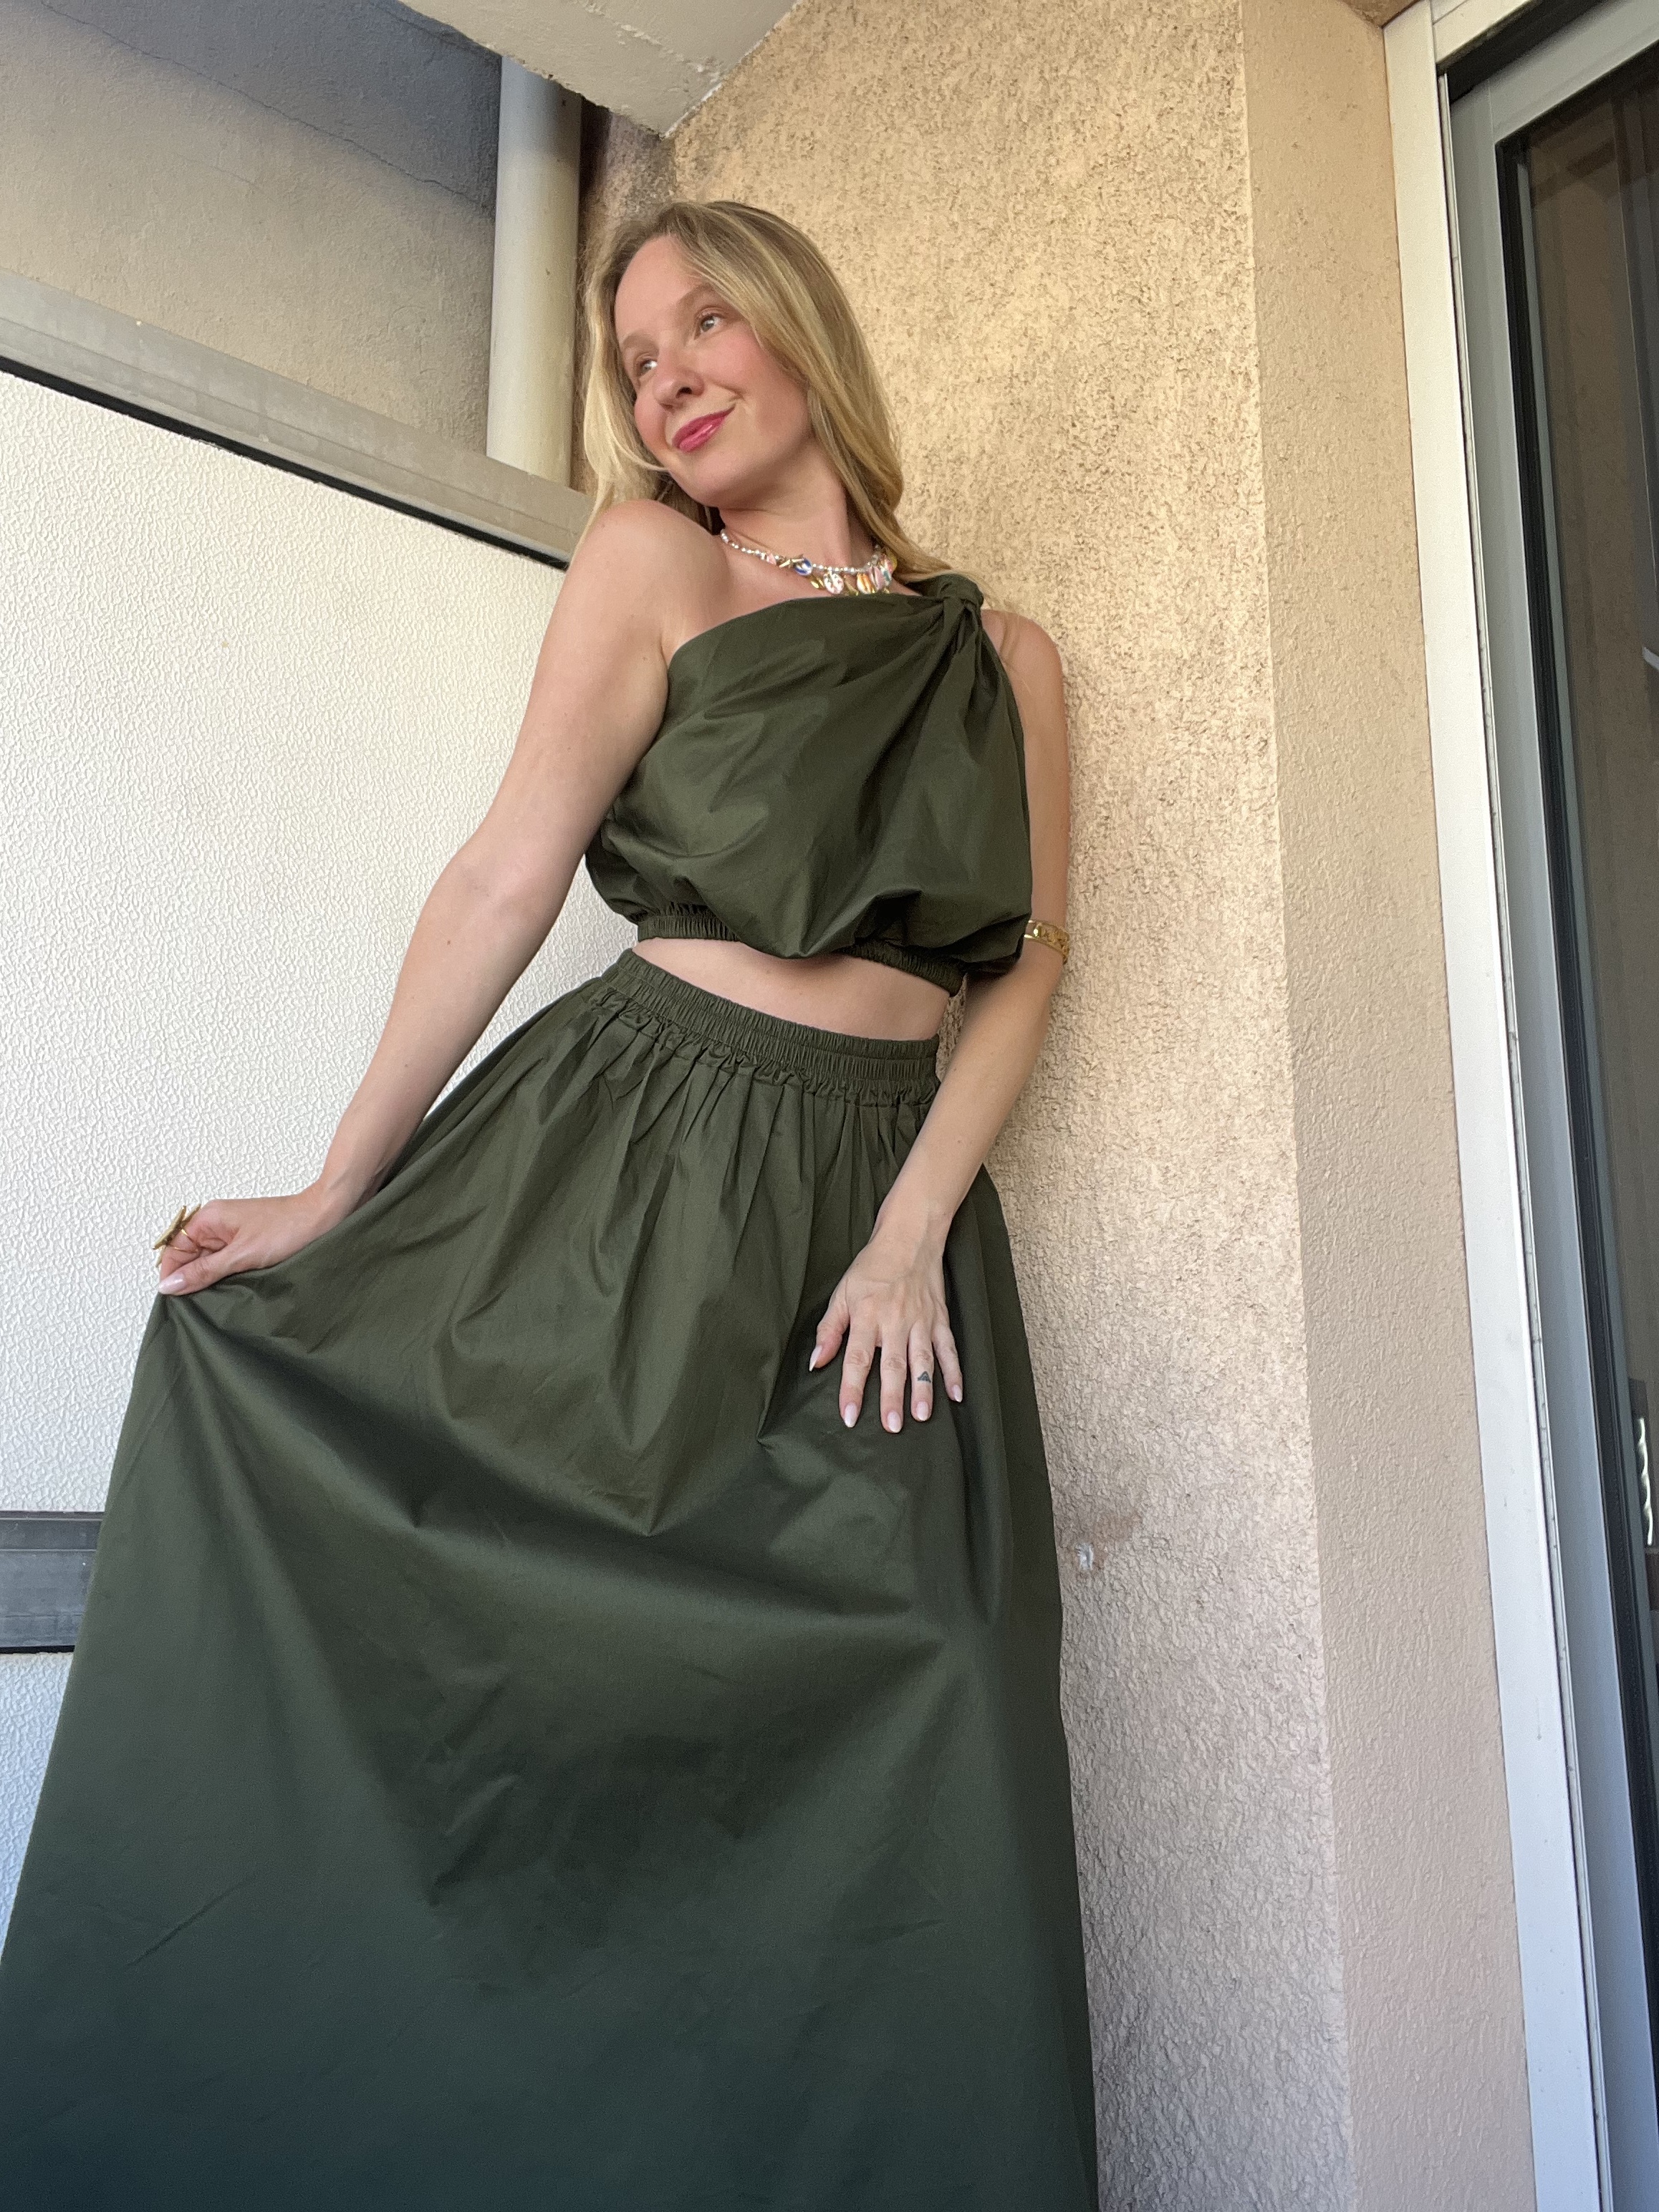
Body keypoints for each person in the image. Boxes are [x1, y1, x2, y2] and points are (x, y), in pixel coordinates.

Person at [0, 198, 1098, 2208]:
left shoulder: (1001, 654)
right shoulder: (651, 564)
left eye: (704, 327)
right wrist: (336, 1186)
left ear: (801, 328)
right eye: (637, 362)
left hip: (875, 1210)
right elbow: (510, 870)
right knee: (519, 1659)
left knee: (932, 1680)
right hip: (630, 1164)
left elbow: (1023, 966)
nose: (668, 379)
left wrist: (910, 1230)